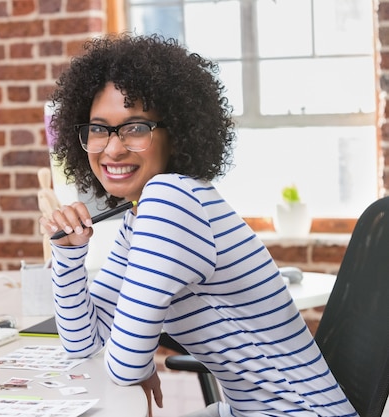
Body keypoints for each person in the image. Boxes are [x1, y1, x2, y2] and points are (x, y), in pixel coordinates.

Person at [39, 33, 357, 417]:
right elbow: (84, 346)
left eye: (135, 127)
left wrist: (136, 368)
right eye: (98, 128)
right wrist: (69, 256)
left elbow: (122, 364)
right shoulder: (140, 217)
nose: (112, 147)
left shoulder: (170, 201)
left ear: (175, 132)